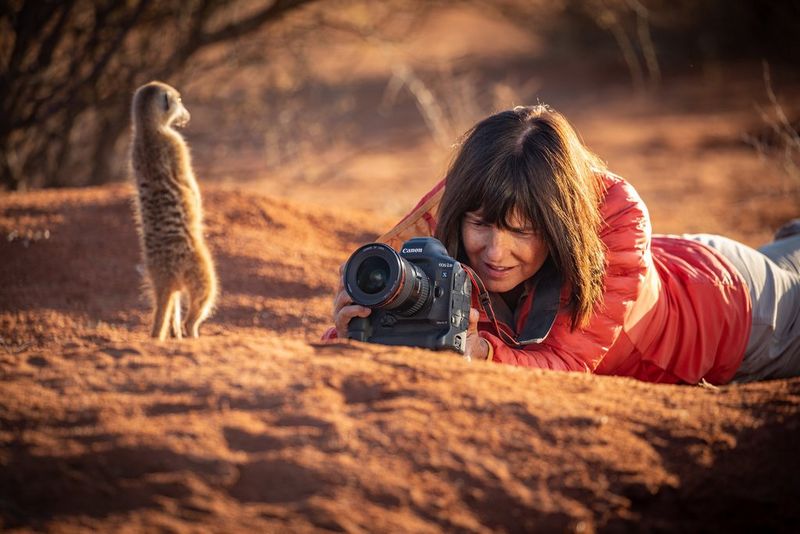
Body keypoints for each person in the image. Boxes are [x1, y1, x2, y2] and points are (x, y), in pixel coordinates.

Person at [327, 105, 800, 384]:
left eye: (522, 232)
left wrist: (484, 355)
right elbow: (386, 294)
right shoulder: (465, 196)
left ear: (557, 223)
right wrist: (352, 327)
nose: (495, 252)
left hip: (736, 311)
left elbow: (571, 365)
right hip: (670, 262)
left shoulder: (617, 213)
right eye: (482, 226)